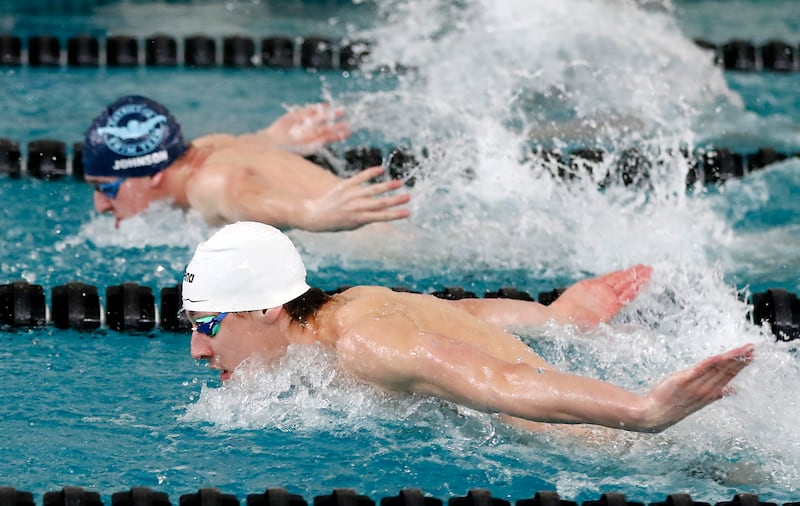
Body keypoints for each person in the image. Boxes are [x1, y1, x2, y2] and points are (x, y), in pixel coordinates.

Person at [181, 221, 754, 434]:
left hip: (610, 451)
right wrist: (555, 319)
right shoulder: (349, 306)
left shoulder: (364, 344)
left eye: (207, 323)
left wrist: (641, 412)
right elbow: (460, 316)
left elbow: (498, 379)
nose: (196, 350)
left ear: (266, 308)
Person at [82, 95, 410, 231]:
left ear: (152, 173)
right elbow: (254, 148)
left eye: (107, 188)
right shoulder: (209, 146)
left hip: (381, 241)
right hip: (395, 223)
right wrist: (273, 138)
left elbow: (252, 198)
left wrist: (311, 213)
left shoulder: (210, 185)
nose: (100, 205)